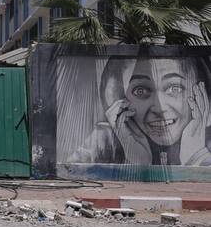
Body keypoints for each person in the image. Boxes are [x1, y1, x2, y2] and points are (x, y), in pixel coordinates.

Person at [68, 56, 211, 166]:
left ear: (203, 94)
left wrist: (197, 156)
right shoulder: (104, 140)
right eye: (140, 90)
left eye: (174, 88)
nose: (159, 109)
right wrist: (136, 162)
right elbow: (66, 175)